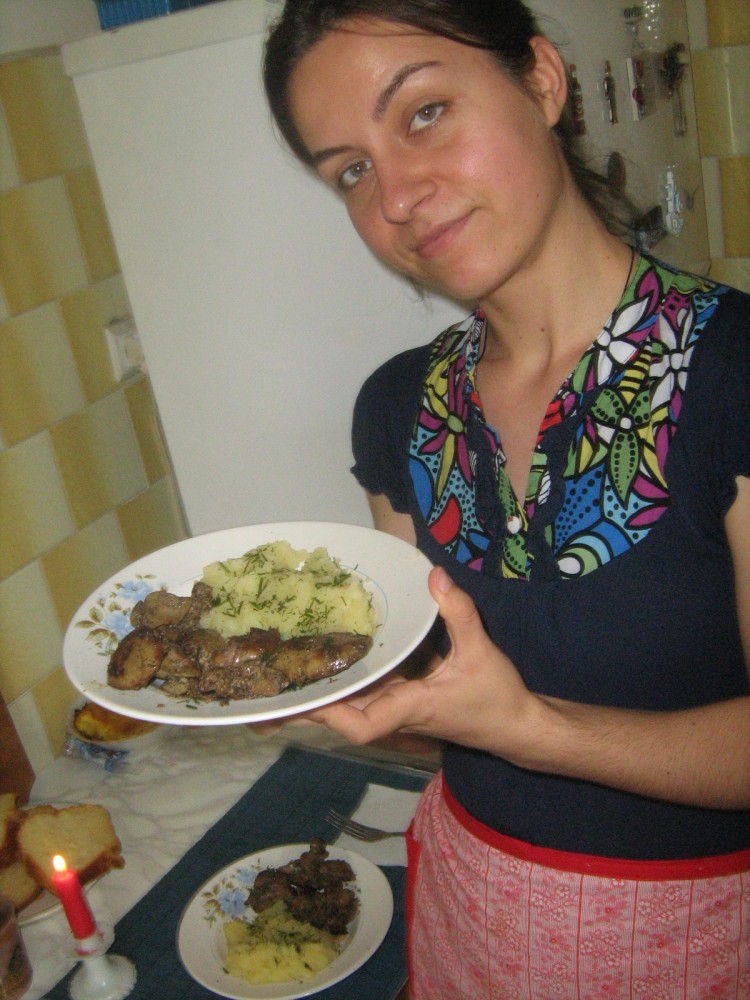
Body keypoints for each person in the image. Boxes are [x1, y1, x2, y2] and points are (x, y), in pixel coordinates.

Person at [262, 2, 750, 996]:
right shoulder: (397, 407)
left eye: (424, 113)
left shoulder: (734, 373)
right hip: (470, 914)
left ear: (541, 79)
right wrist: (294, 684)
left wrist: (531, 725)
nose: (399, 195)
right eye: (351, 170)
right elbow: (434, 703)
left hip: (699, 935)